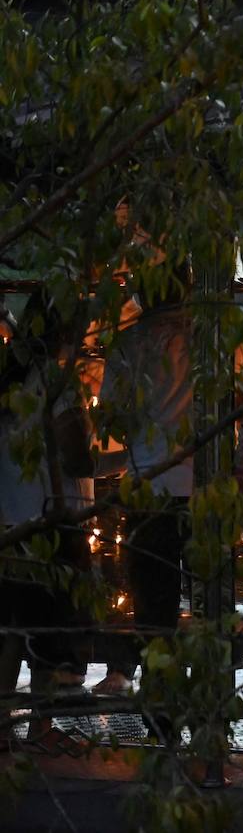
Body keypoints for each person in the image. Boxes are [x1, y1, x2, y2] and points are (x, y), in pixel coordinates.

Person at [97, 266, 243, 734]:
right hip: (207, 488)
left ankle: (162, 714)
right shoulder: (218, 337)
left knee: (155, 611)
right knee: (213, 605)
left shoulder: (130, 346)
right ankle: (212, 711)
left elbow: (111, 420)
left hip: (148, 489)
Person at [0, 292, 97, 724]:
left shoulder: (8, 385)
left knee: (14, 632)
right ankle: (41, 729)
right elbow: (76, 457)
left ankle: (5, 725)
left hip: (12, 521)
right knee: (49, 634)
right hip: (55, 524)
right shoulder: (56, 383)